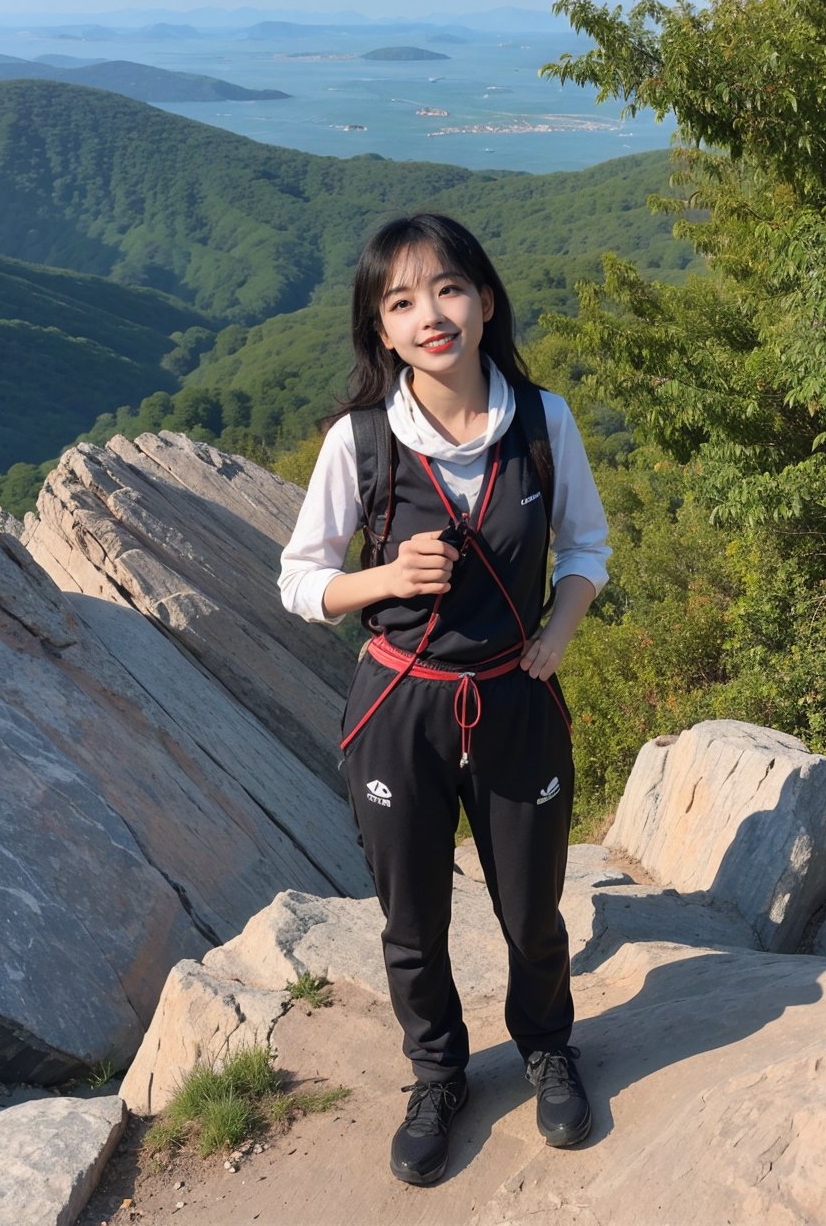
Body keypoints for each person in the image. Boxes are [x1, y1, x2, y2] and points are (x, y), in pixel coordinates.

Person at [278, 213, 609, 1186]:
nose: (431, 314)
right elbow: (299, 581)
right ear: (380, 329)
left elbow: (585, 548)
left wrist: (558, 629)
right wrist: (381, 579)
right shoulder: (362, 441)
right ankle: (439, 1074)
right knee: (412, 920)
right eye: (402, 300)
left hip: (514, 697)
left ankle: (546, 1047)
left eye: (450, 289)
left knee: (533, 909)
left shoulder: (543, 424)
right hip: (400, 712)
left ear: (486, 300)